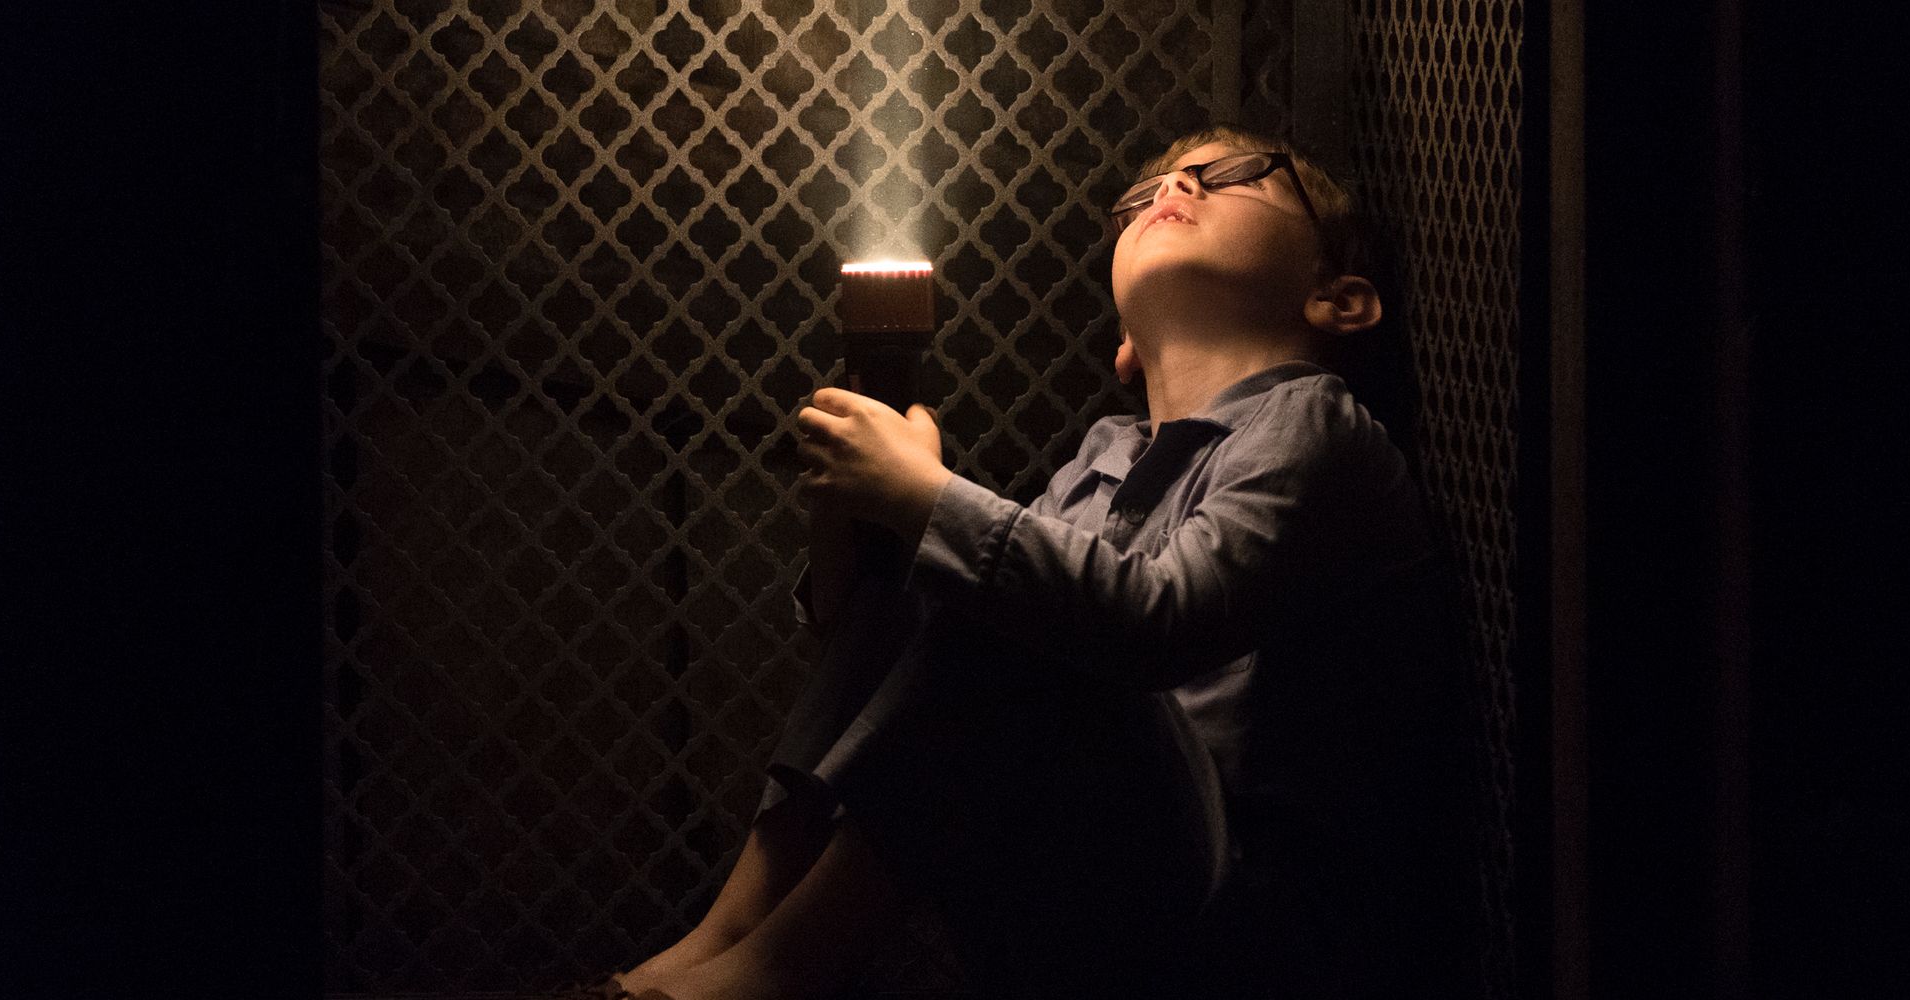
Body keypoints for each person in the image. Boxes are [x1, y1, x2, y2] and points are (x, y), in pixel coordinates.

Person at [601, 124, 1476, 1000]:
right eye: (1147, 194)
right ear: (1125, 346)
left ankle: (780, 968)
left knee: (1020, 603)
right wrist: (862, 527)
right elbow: (893, 663)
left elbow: (1159, 623)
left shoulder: (1313, 421)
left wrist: (930, 499)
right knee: (982, 591)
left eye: (1233, 173)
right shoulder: (1103, 460)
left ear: (1340, 300)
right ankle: (727, 933)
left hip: (1243, 930)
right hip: (1074, 894)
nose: (1177, 186)